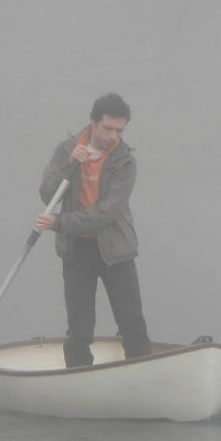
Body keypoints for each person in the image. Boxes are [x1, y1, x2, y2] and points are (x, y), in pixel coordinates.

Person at [36, 93, 151, 367]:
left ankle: (143, 378)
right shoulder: (67, 150)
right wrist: (71, 165)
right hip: (77, 251)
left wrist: (60, 223)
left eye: (119, 130)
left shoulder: (125, 161)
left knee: (132, 325)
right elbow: (46, 194)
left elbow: (106, 213)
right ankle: (78, 383)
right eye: (107, 128)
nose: (113, 136)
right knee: (79, 329)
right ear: (93, 123)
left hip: (116, 250)